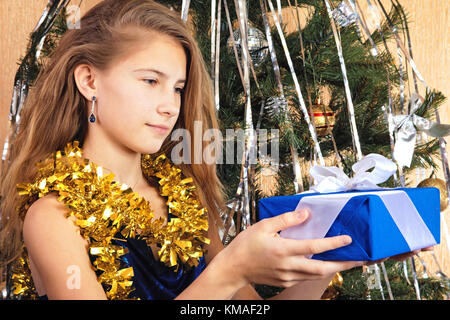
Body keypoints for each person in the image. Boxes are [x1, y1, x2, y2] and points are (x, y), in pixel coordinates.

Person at [0, 0, 426, 300]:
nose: (170, 104)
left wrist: (334, 256)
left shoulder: (182, 197)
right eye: (150, 80)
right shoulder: (51, 217)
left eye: (178, 87)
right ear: (89, 81)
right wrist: (231, 269)